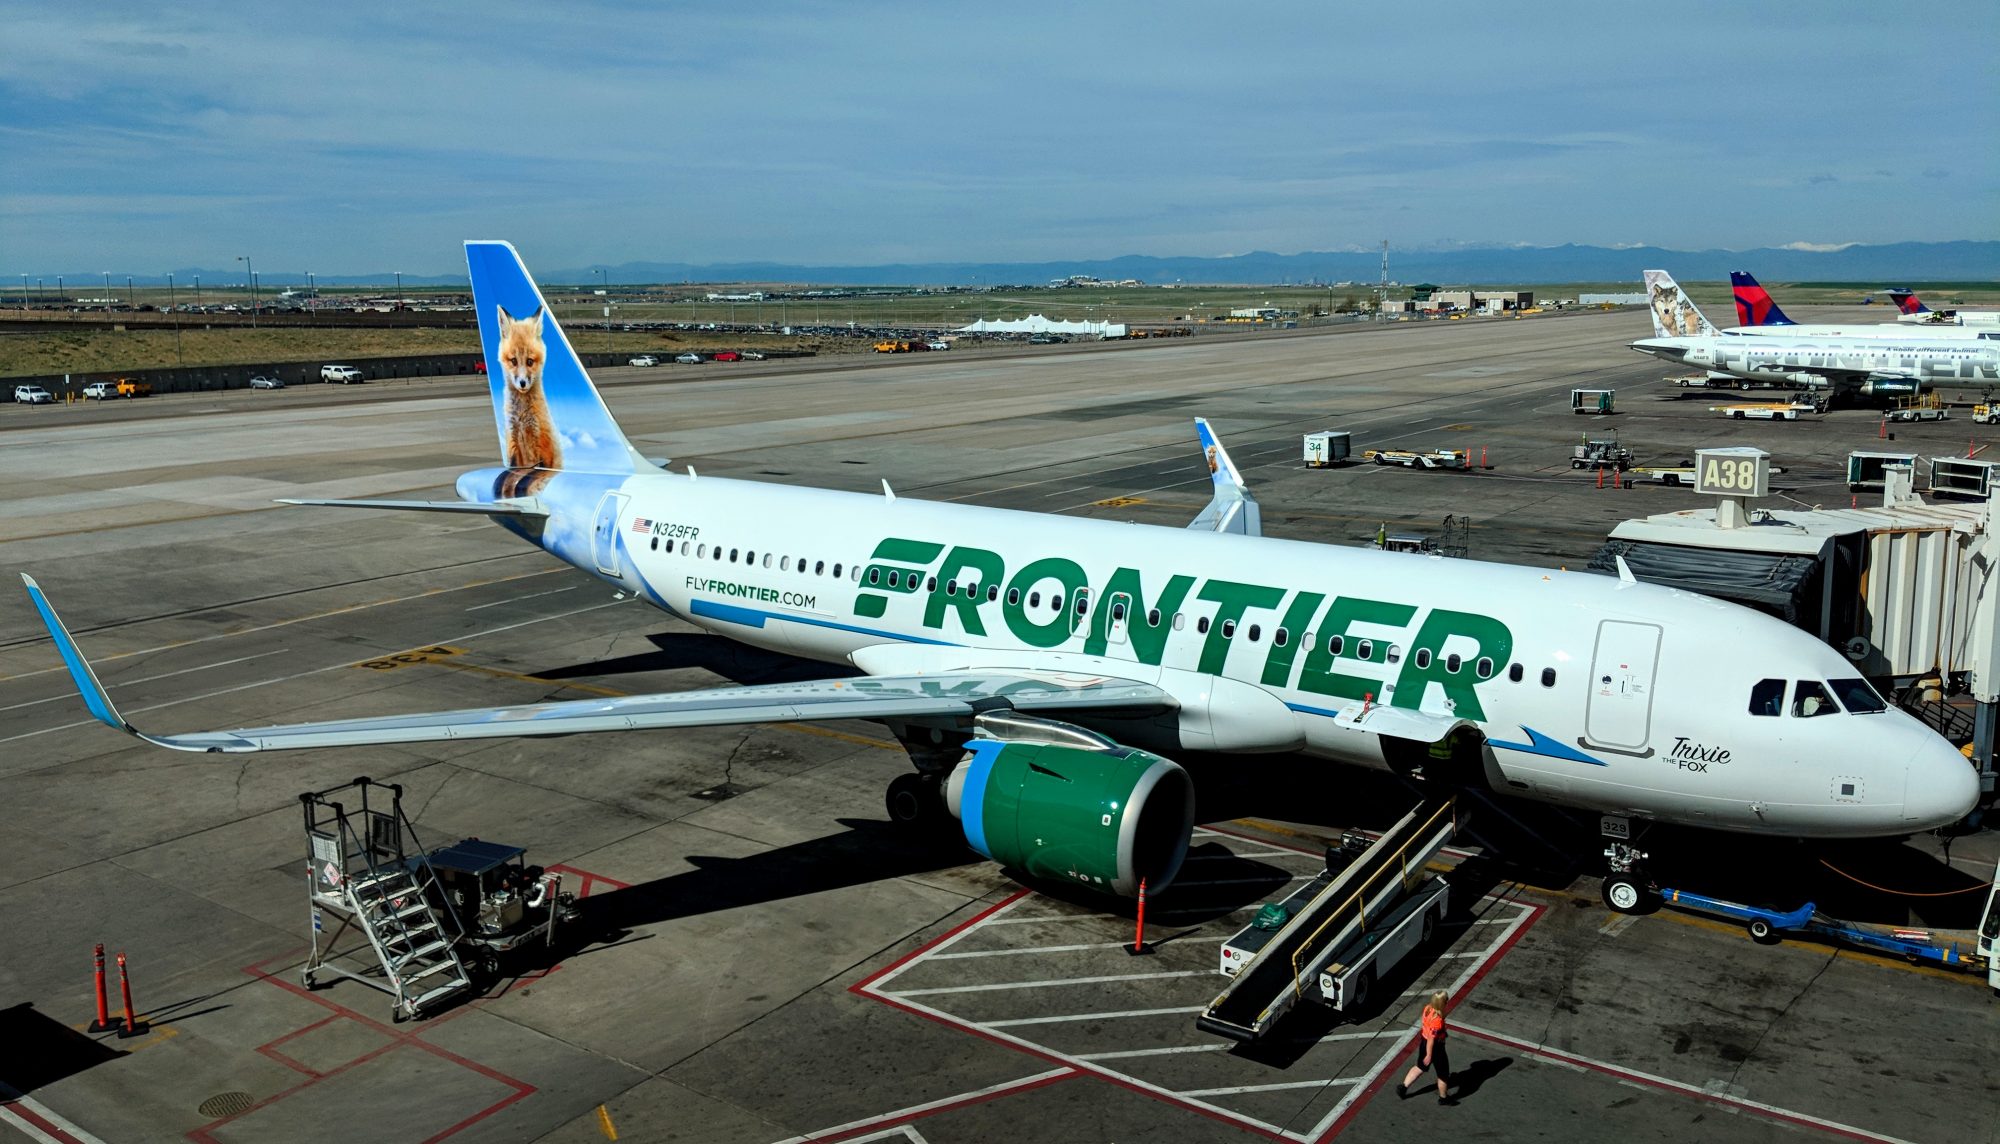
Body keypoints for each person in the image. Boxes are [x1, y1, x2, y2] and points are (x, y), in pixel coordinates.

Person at [1397, 989, 1454, 1104]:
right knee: (1443, 1073)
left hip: (1423, 1040)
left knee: (1420, 1067)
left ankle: (1404, 1087)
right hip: (1435, 1047)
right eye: (1446, 1000)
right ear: (1442, 1003)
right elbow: (1431, 1039)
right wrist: (1429, 1054)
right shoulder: (1437, 1020)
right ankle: (1443, 1098)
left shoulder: (1428, 1008)